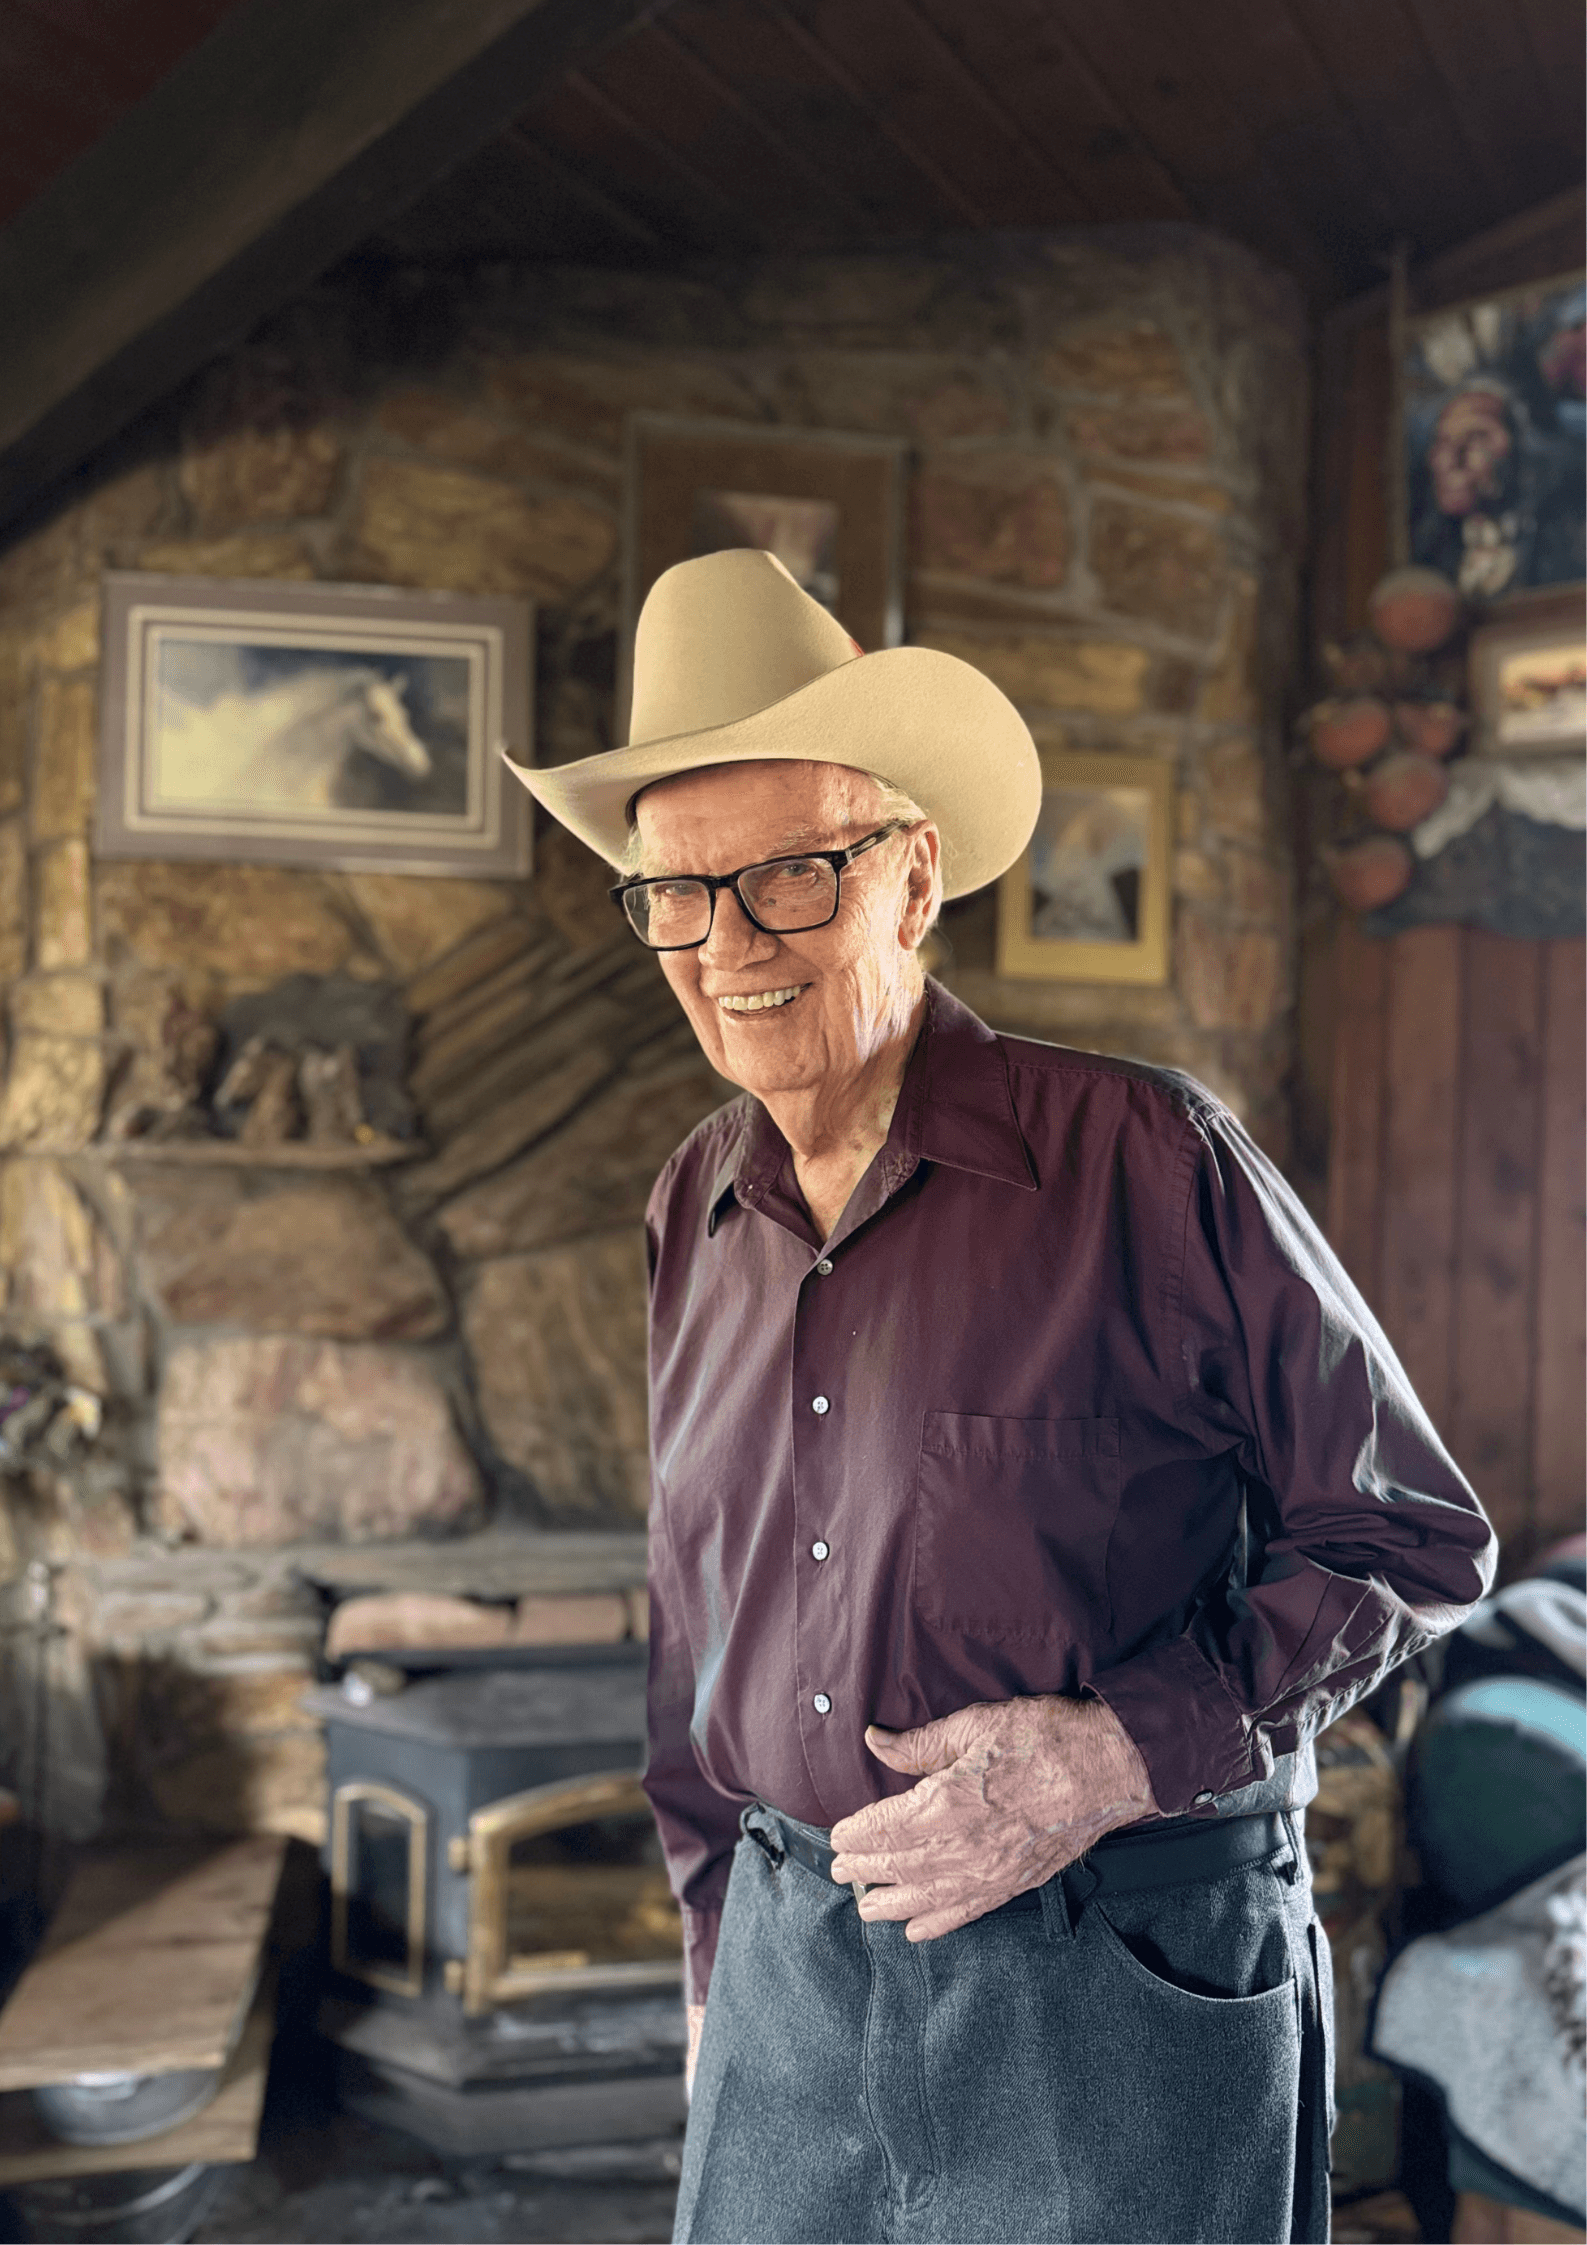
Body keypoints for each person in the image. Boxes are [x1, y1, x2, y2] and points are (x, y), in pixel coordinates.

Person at [503, 549, 1497, 2245]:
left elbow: (1406, 1534)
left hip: (1111, 1968)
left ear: (911, 879)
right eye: (679, 890)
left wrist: (1111, 1755)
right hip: (782, 1985)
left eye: (791, 876)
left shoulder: (1144, 1156)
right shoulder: (692, 1199)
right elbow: (698, 1621)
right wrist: (708, 1967)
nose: (727, 942)